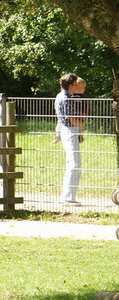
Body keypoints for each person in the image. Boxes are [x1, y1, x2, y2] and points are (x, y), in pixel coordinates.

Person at [54, 73, 87, 205]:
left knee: (73, 163)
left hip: (68, 131)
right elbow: (71, 118)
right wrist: (82, 123)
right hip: (70, 131)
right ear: (71, 85)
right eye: (75, 84)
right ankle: (68, 197)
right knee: (74, 164)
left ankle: (69, 196)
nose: (76, 86)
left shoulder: (61, 96)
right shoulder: (65, 98)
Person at [52, 77, 87, 144]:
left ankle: (80, 135)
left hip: (78, 113)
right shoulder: (69, 96)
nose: (84, 89)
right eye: (83, 87)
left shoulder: (81, 97)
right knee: (60, 122)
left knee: (79, 125)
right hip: (69, 114)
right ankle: (58, 135)